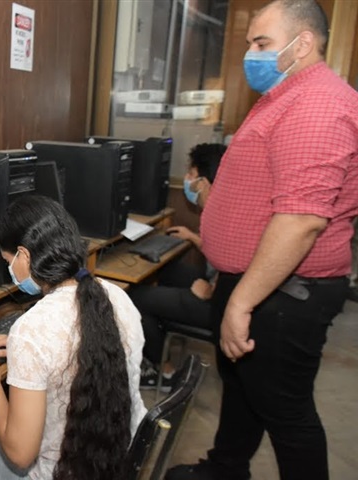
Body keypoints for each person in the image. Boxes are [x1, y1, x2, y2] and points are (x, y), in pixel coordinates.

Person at [166, 1, 358, 479]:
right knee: (243, 388)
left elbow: (301, 220)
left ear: (303, 43)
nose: (250, 54)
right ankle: (226, 468)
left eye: (262, 43)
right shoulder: (284, 96)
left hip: (284, 291)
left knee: (285, 411)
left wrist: (242, 302)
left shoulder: (317, 104)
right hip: (260, 282)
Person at [0, 195, 147, 480]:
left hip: (56, 474)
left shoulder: (31, 331)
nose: (9, 270)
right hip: (119, 462)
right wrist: (25, 350)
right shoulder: (116, 296)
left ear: (24, 255)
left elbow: (20, 454)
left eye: (7, 261)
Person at [129, 143, 226, 390]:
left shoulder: (222, 214)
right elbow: (221, 250)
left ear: (204, 182)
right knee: (165, 271)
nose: (187, 179)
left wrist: (212, 289)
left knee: (135, 298)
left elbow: (239, 260)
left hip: (219, 302)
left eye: (191, 174)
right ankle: (157, 334)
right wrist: (193, 238)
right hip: (216, 286)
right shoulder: (221, 206)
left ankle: (165, 372)